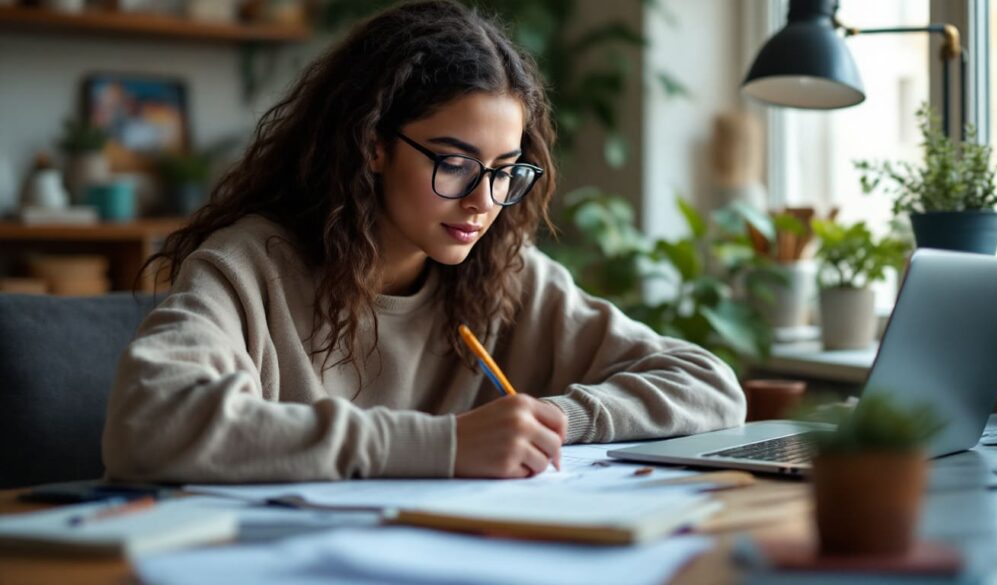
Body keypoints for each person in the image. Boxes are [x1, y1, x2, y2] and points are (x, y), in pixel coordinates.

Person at [102, 0, 745, 483]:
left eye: (504, 171)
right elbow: (149, 423)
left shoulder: (506, 272)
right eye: (455, 162)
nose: (483, 201)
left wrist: (550, 424)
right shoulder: (252, 268)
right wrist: (447, 445)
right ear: (373, 145)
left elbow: (709, 386)